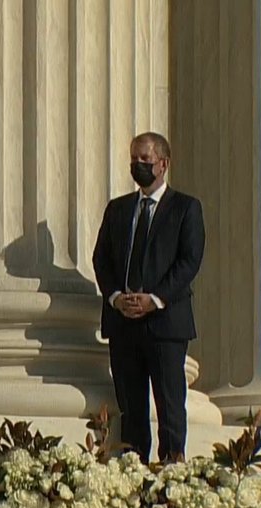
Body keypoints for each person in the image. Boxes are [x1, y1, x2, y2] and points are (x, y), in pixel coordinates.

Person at [91, 132, 205, 463]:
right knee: (131, 407)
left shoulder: (185, 208)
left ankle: (173, 465)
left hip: (165, 324)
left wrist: (154, 299)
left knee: (170, 404)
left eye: (145, 159)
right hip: (123, 323)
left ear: (163, 164)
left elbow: (189, 261)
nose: (137, 165)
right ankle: (134, 465)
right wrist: (116, 297)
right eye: (134, 159)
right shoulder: (118, 209)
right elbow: (101, 258)